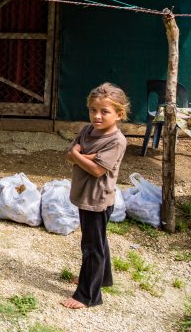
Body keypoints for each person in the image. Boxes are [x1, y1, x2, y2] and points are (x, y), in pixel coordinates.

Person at [61, 82, 129, 309]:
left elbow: (98, 169)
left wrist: (79, 154)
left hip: (97, 199)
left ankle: (88, 295)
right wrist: (87, 155)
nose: (97, 116)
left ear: (119, 114)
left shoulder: (116, 141)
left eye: (104, 112)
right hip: (84, 194)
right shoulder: (87, 130)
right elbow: (72, 154)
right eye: (93, 110)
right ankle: (101, 278)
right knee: (97, 241)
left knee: (92, 246)